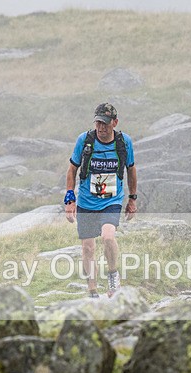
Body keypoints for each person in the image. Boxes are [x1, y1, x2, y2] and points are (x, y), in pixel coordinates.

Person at [64, 103, 138, 298]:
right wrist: (70, 198)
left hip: (111, 200)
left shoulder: (124, 142)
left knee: (108, 237)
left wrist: (132, 199)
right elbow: (72, 169)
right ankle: (92, 291)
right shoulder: (85, 140)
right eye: (98, 123)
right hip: (87, 201)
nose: (101, 128)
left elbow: (131, 170)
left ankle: (113, 277)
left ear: (115, 123)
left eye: (105, 124)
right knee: (88, 247)